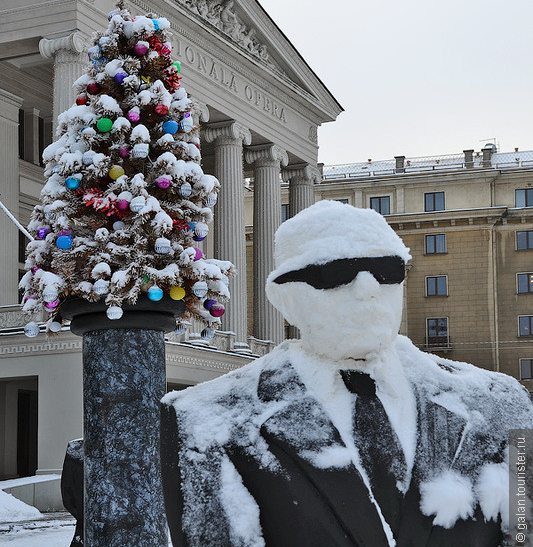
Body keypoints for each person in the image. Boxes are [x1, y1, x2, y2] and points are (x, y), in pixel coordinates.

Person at [161, 200, 533, 547]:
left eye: (388, 270)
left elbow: (525, 528)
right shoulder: (205, 418)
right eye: (336, 273)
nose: (368, 289)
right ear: (284, 300)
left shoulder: (501, 403)